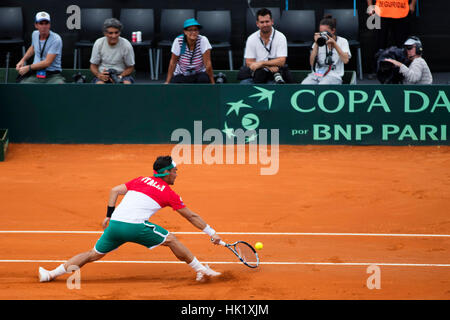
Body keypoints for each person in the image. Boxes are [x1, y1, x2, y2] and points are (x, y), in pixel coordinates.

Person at [38, 156, 222, 282]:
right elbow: (191, 216)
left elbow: (114, 190)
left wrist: (108, 215)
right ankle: (201, 270)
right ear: (166, 172)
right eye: (175, 170)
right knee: (172, 240)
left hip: (115, 225)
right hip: (134, 227)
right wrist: (211, 233)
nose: (176, 173)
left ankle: (50, 274)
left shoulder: (140, 180)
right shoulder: (168, 193)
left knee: (92, 254)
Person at [240, 8, 293, 84]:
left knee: (274, 85)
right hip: (258, 74)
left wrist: (261, 63)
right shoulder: (251, 38)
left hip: (275, 73)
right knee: (244, 84)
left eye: (267, 21)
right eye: (262, 22)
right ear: (257, 24)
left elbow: (281, 61)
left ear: (272, 22)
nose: (265, 24)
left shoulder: (281, 37)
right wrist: (266, 66)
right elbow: (249, 62)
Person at [366, 0, 417, 79]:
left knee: (402, 44)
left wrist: (413, 4)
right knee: (379, 43)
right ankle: (376, 70)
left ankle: (403, 70)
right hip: (381, 11)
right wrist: (370, 5)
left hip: (401, 10)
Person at [15, 11, 65, 84]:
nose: (44, 26)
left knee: (60, 85)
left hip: (53, 75)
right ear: (36, 25)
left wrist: (28, 68)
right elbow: (33, 47)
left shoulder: (56, 39)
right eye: (41, 23)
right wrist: (22, 60)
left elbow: (47, 63)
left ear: (49, 25)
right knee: (23, 85)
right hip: (36, 74)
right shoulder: (34, 34)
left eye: (46, 23)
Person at [301, 15, 351, 85]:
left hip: (334, 75)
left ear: (333, 30)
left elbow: (346, 60)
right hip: (318, 74)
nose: (323, 35)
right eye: (321, 32)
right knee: (304, 84)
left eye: (325, 32)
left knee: (322, 86)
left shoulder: (342, 41)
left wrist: (334, 44)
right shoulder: (319, 42)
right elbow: (312, 63)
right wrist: (316, 44)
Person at [165, 18, 214, 84]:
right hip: (182, 75)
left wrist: (213, 83)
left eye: (195, 30)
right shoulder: (178, 41)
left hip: (199, 74)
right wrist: (167, 82)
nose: (193, 32)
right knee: (175, 82)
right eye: (190, 30)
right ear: (185, 32)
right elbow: (173, 62)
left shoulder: (203, 40)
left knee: (204, 79)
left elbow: (208, 64)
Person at [90, 18, 135, 84]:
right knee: (99, 85)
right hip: (103, 75)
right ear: (105, 33)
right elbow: (93, 66)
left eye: (116, 32)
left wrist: (119, 77)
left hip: (122, 74)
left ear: (120, 32)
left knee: (126, 84)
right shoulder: (99, 43)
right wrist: (99, 75)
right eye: (110, 33)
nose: (114, 36)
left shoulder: (126, 44)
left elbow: (131, 67)